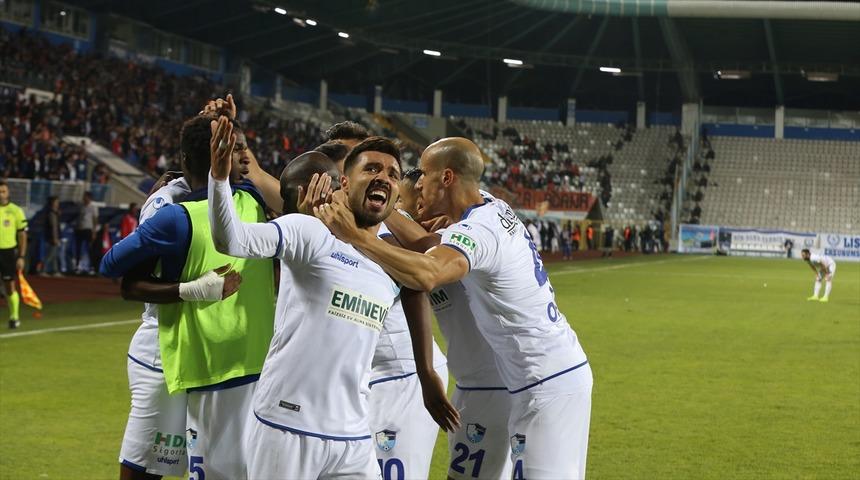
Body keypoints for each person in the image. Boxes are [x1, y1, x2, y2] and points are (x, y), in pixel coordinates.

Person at [316, 137, 593, 479]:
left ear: (446, 178)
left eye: (425, 174)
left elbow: (427, 273)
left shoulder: (480, 229)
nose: (419, 183)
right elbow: (430, 242)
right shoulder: (487, 206)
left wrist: (358, 236)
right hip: (530, 379)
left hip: (548, 382)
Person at [208, 130, 458, 479]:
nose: (383, 178)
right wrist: (219, 178)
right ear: (344, 183)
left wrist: (426, 371)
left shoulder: (387, 257)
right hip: (287, 425)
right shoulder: (309, 232)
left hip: (352, 434)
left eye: (392, 174)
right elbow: (231, 239)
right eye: (371, 169)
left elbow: (417, 285)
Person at [101, 115, 277, 480]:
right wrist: (191, 289)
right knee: (150, 466)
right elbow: (117, 272)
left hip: (235, 364)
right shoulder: (173, 215)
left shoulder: (253, 197)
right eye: (236, 149)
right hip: (171, 357)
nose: (244, 157)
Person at [398, 171, 514, 479]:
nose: (398, 210)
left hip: (493, 386)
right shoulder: (432, 241)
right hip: (470, 385)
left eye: (401, 202)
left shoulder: (456, 239)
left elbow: (425, 251)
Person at [0, 181, 28, 329]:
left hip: (8, 252)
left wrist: (21, 256)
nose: (1, 194)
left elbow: (22, 235)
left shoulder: (15, 211)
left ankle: (14, 317)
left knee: (9, 287)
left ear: (8, 193)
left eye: (3, 191)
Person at [74, 190, 98, 274]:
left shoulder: (93, 207)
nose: (84, 198)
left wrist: (94, 232)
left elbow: (95, 220)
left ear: (89, 198)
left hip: (88, 230)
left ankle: (91, 267)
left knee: (89, 249)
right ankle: (77, 266)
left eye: (85, 196)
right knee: (78, 248)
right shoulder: (80, 206)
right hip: (80, 229)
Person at [42, 196, 62, 277]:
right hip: (52, 237)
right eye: (56, 202)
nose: (57, 204)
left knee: (54, 255)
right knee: (50, 254)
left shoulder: (54, 213)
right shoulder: (51, 213)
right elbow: (54, 227)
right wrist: (55, 238)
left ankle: (55, 270)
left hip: (52, 237)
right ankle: (43, 270)